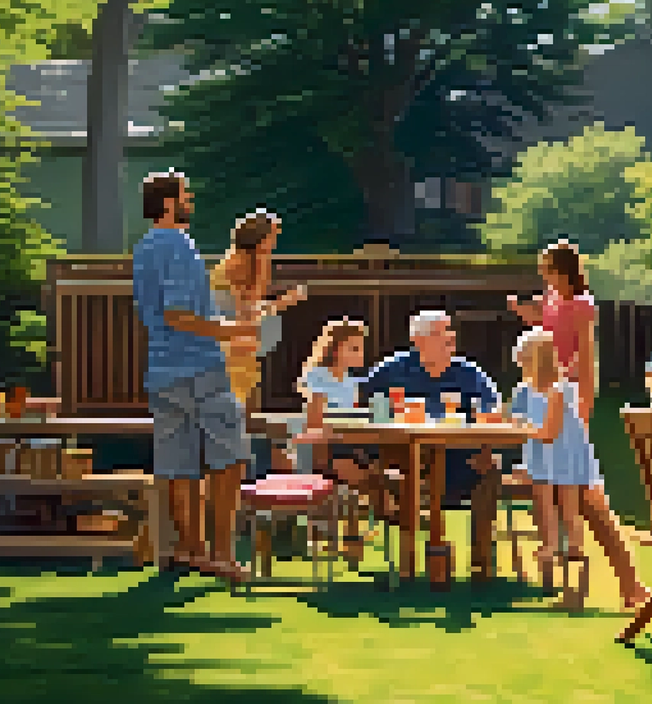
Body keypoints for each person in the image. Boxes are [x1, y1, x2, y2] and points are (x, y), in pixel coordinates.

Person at [131, 170, 259, 582]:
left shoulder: (144, 247)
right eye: (185, 195)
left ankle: (192, 551)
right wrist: (232, 331)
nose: (191, 200)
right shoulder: (178, 245)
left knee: (178, 465)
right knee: (231, 459)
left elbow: (165, 315)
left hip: (162, 371)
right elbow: (179, 315)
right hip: (199, 368)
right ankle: (222, 555)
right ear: (168, 203)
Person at [359, 310, 508, 580]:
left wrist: (487, 449)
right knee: (385, 475)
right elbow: (358, 403)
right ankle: (407, 565)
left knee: (491, 470)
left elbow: (493, 411)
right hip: (407, 464)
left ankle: (481, 564)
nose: (451, 337)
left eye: (450, 330)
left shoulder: (468, 373)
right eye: (442, 332)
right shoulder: (392, 369)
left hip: (462, 462)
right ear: (419, 340)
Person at [508, 328, 646, 609]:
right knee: (552, 500)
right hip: (542, 463)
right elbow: (515, 419)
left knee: (591, 512)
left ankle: (629, 588)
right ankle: (625, 587)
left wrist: (523, 429)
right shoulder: (524, 390)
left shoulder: (561, 391)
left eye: (524, 360)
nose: (520, 366)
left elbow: (548, 431)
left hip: (571, 463)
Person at [297, 318, 381, 563]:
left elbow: (353, 419)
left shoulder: (351, 382)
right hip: (324, 448)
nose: (360, 354)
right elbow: (314, 424)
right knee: (369, 478)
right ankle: (383, 512)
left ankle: (359, 531)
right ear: (335, 350)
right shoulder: (318, 378)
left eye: (361, 347)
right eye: (353, 348)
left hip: (351, 444)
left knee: (383, 467)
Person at [208, 208, 306, 409]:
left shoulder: (255, 263)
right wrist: (284, 302)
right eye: (271, 238)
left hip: (241, 349)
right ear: (259, 239)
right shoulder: (235, 267)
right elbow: (245, 314)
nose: (274, 244)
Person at [507, 239, 598, 422]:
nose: (542, 273)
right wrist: (520, 309)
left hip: (569, 386)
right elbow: (546, 326)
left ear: (565, 271)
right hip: (544, 381)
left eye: (548, 268)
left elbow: (586, 356)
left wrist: (585, 402)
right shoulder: (551, 296)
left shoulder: (581, 304)